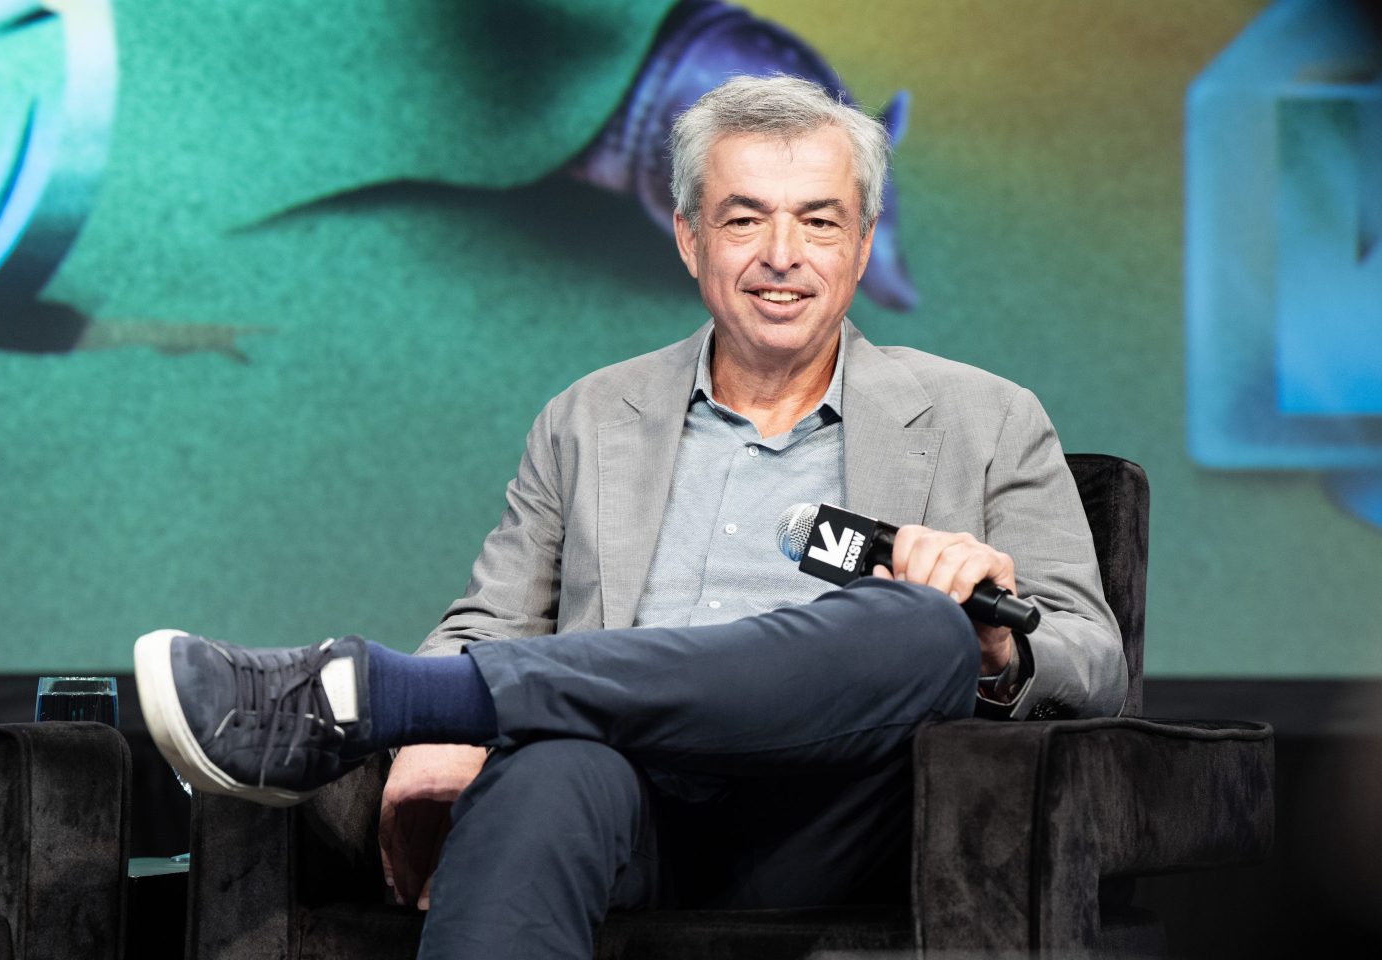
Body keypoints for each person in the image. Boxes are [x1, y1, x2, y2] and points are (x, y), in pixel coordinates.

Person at [134, 75, 1126, 959]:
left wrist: (997, 644)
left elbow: (1095, 656)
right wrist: (438, 745)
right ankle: (416, 705)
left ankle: (373, 695)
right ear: (690, 238)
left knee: (920, 623)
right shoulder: (592, 415)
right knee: (547, 769)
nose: (783, 256)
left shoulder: (985, 416)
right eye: (744, 221)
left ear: (862, 245)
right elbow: (492, 620)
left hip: (834, 818)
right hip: (617, 797)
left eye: (820, 222)